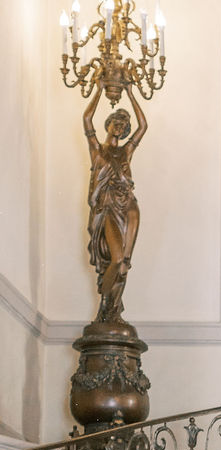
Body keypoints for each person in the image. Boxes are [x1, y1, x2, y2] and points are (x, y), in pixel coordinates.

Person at [83, 84, 147, 322]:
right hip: (107, 207)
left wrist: (131, 93)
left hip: (129, 207)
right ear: (108, 124)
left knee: (125, 262)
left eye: (123, 124)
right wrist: (99, 89)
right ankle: (106, 309)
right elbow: (87, 118)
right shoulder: (97, 150)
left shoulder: (126, 152)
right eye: (116, 121)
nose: (120, 126)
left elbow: (143, 127)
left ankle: (112, 312)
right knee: (117, 259)